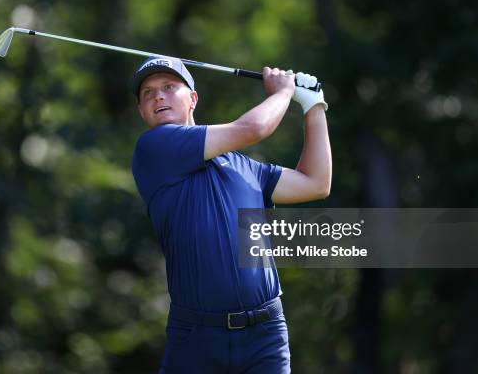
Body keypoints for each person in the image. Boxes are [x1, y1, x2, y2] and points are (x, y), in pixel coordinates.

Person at [130, 56, 332, 374]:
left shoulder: (241, 165)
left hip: (264, 334)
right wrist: (283, 92)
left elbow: (315, 183)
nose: (158, 96)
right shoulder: (154, 148)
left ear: (192, 98)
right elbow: (254, 127)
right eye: (148, 93)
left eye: (169, 87)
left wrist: (313, 106)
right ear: (142, 111)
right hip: (196, 339)